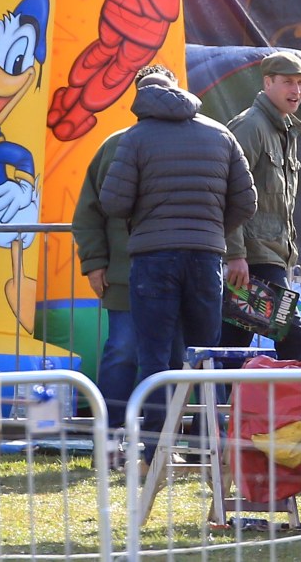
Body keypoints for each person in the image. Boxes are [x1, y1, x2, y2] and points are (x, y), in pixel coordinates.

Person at [99, 71, 257, 469]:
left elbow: (114, 201)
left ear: (142, 98)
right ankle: (207, 445)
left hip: (152, 258)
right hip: (206, 258)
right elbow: (246, 201)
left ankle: (155, 452)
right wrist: (212, 230)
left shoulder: (135, 137)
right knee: (206, 354)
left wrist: (146, 215)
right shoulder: (220, 134)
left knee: (155, 358)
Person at [71, 65, 181, 459]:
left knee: (169, 358)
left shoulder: (195, 140)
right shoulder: (113, 146)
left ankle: (160, 442)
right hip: (125, 274)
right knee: (123, 351)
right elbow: (88, 213)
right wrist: (95, 262)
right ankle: (112, 436)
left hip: (173, 273)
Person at [222, 51, 301, 362]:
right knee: (294, 336)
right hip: (253, 260)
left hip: (271, 258)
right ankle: (289, 411)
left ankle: (218, 410)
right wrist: (235, 255)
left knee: (232, 342)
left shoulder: (285, 130)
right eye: (288, 81)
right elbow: (227, 192)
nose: (296, 90)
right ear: (267, 82)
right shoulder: (251, 127)